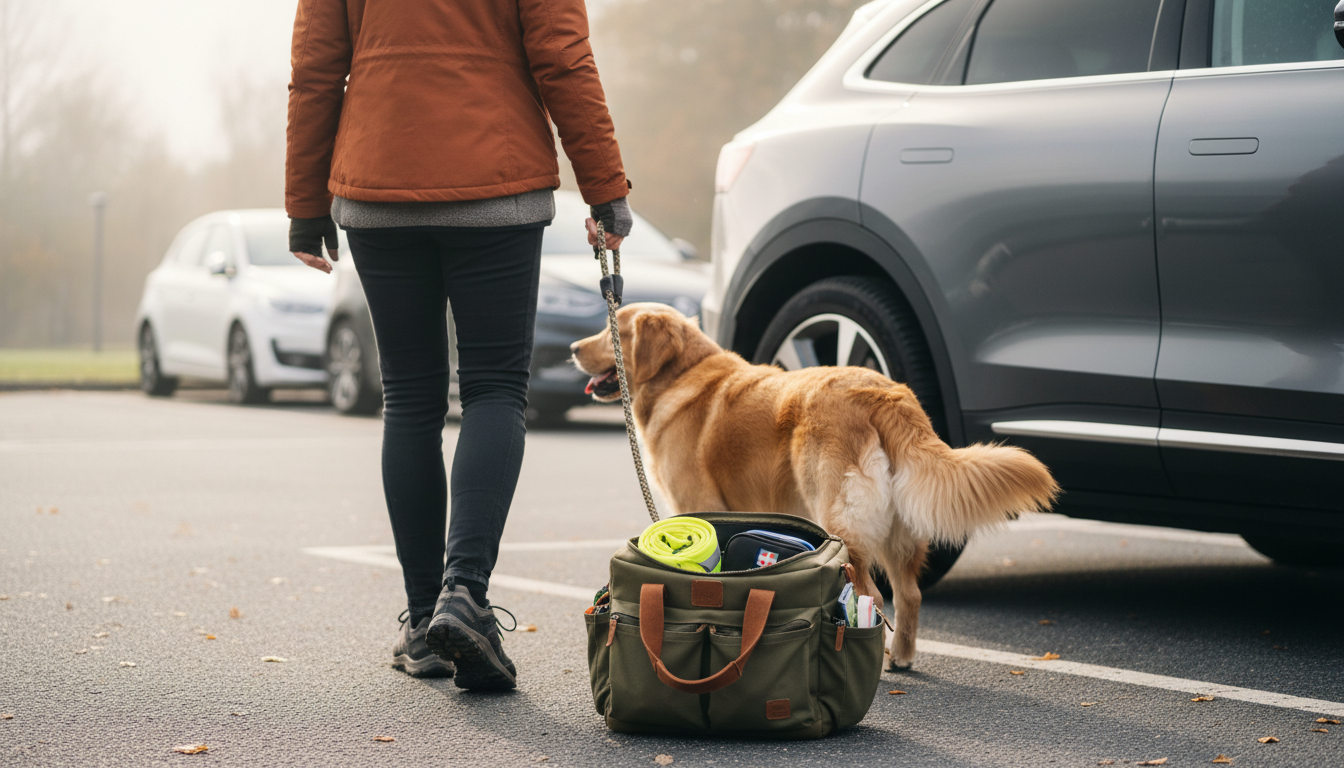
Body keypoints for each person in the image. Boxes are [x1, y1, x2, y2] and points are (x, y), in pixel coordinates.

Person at [284, 0, 632, 691]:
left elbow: (315, 71)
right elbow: (563, 57)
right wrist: (605, 186)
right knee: (495, 388)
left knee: (410, 398)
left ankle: (423, 627)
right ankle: (463, 595)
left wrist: (304, 204)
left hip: (379, 183)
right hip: (496, 184)